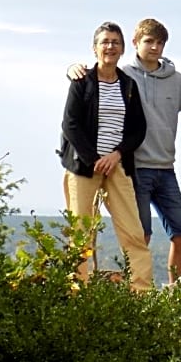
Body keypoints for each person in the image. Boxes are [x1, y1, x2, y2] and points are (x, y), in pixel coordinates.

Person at [67, 18, 181, 283]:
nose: (155, 47)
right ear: (135, 44)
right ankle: (89, 290)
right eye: (149, 41)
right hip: (125, 167)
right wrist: (72, 68)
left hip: (153, 167)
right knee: (110, 233)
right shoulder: (115, 77)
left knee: (172, 234)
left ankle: (166, 295)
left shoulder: (158, 81)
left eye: (160, 43)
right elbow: (72, 122)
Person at [58, 21, 154, 291]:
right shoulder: (81, 82)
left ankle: (142, 295)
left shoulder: (128, 85)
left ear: (123, 49)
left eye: (115, 42)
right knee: (81, 235)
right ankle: (77, 294)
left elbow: (138, 129)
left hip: (117, 167)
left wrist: (116, 155)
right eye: (105, 42)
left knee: (133, 232)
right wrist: (93, 158)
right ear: (95, 48)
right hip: (83, 168)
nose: (110, 47)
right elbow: (70, 124)